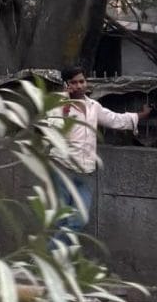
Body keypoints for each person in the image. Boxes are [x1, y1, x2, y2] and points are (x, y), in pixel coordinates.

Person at [54, 67, 144, 247]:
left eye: (82, 81)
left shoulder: (93, 106)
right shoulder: (57, 104)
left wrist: (141, 115)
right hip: (62, 169)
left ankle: (46, 259)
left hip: (85, 172)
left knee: (79, 220)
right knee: (62, 221)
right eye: (74, 82)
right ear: (66, 84)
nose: (79, 86)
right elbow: (52, 128)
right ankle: (54, 263)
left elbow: (114, 119)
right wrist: (65, 104)